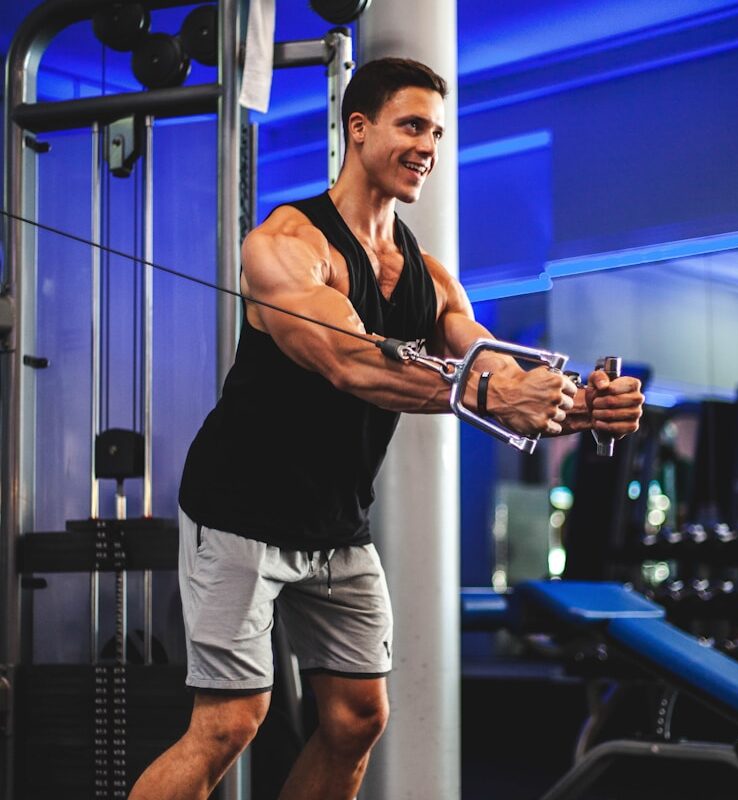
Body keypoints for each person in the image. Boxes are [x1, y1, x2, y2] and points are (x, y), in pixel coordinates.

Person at [129, 57, 644, 800]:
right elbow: (350, 364)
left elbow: (489, 361)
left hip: (337, 522)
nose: (427, 145)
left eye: (436, 131)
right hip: (240, 511)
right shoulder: (286, 244)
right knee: (231, 722)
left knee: (357, 718)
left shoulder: (430, 276)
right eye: (411, 125)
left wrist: (580, 400)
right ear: (358, 127)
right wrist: (502, 396)